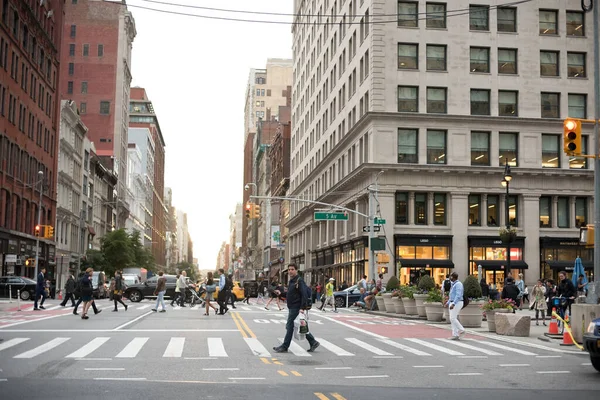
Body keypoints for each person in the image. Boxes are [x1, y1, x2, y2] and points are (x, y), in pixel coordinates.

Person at [273, 264, 320, 353]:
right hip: (292, 307)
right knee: (299, 326)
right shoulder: (292, 281)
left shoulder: (299, 281)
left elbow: (304, 295)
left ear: (296, 270)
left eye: (292, 269)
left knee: (290, 326)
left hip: (296, 307)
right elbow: (289, 294)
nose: (290, 271)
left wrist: (302, 307)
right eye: (289, 269)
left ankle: (285, 346)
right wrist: (280, 294)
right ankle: (313, 342)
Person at [444, 272, 465, 340]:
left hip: (457, 302)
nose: (450, 278)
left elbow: (458, 295)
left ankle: (461, 330)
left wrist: (453, 303)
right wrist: (447, 303)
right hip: (454, 302)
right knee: (453, 318)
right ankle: (455, 334)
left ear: (453, 277)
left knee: (452, 318)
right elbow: (452, 296)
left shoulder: (458, 284)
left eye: (451, 276)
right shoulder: (454, 284)